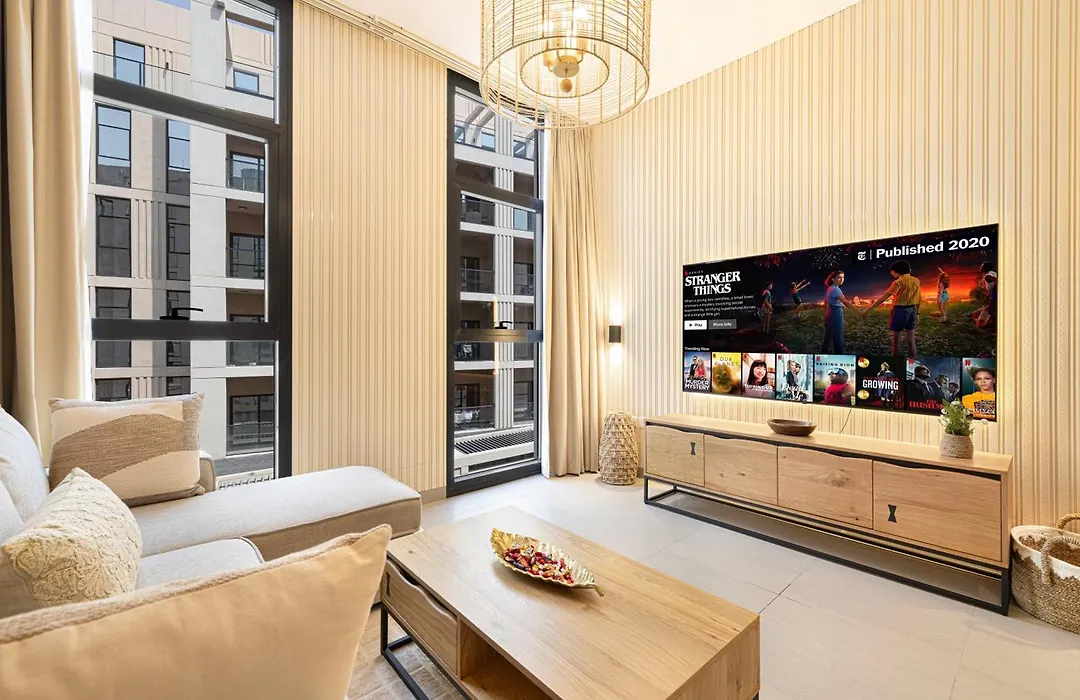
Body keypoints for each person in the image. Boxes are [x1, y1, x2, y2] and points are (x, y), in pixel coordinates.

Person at [863, 260, 921, 357]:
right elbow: (919, 298)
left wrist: (867, 310)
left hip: (900, 310)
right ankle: (913, 361)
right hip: (913, 310)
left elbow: (884, 297)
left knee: (896, 341)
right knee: (911, 340)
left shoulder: (898, 282)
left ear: (897, 270)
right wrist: (918, 313)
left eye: (892, 271)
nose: (891, 273)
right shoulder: (916, 281)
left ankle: (896, 361)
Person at [820, 270, 856, 353]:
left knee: (827, 338)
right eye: (839, 277)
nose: (842, 279)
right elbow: (846, 302)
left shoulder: (830, 288)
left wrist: (826, 316)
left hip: (830, 314)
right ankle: (840, 355)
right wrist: (860, 313)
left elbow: (826, 302)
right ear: (833, 279)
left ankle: (822, 354)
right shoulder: (836, 290)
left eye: (843, 277)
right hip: (836, 314)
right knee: (838, 339)